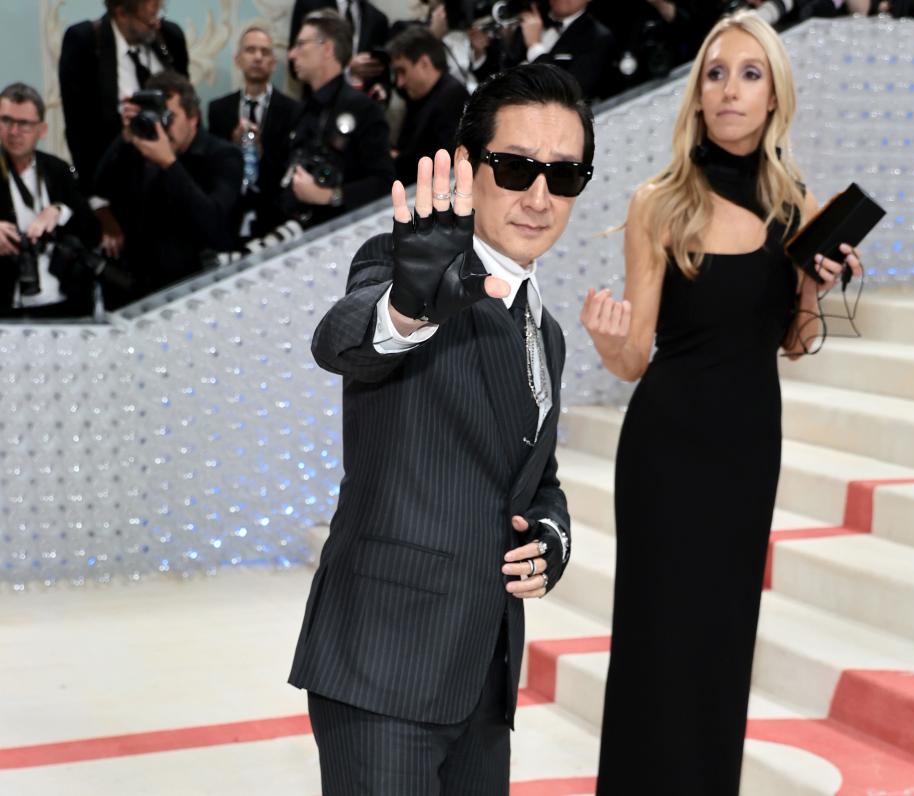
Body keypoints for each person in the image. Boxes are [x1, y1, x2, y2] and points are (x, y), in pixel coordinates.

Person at [289, 63, 594, 793]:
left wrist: (551, 538)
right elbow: (342, 339)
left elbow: (535, 480)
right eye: (516, 167)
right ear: (466, 165)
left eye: (564, 175)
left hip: (483, 678)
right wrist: (409, 308)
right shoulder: (402, 267)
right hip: (382, 669)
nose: (539, 196)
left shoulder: (544, 331)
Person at [580, 12, 862, 794]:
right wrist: (609, 344)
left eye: (750, 74)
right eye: (715, 73)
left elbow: (797, 342)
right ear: (697, 95)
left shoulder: (795, 204)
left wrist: (813, 282)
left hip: (746, 449)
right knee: (655, 639)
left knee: (721, 638)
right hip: (666, 450)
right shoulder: (658, 203)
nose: (730, 89)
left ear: (774, 97)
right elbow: (636, 356)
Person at [93, 71, 243, 308]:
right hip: (140, 291)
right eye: (155, 117)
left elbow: (214, 223)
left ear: (193, 117)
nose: (161, 126)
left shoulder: (223, 156)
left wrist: (169, 163)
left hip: (198, 291)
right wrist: (125, 136)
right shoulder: (143, 149)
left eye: (169, 117)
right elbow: (100, 187)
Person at [59, 0, 189, 256]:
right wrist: (99, 206)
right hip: (119, 192)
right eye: (147, 17)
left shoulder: (169, 36)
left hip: (172, 186)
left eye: (159, 12)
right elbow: (78, 134)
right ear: (121, 12)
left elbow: (188, 106)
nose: (156, 22)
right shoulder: (85, 42)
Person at [284, 11, 394, 228]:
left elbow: (383, 183)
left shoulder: (364, 109)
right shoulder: (301, 110)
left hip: (342, 232)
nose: (292, 55)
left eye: (301, 44)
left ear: (326, 49)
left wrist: (329, 195)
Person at [0, 83, 100, 317]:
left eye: (24, 124)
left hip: (64, 298)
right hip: (7, 304)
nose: (13, 131)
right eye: (5, 121)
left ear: (42, 130)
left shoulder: (58, 170)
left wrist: (59, 211)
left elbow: (92, 232)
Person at [208, 26, 302, 238]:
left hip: (274, 215)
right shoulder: (218, 109)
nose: (258, 57)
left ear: (273, 63)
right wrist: (232, 149)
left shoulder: (293, 110)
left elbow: (291, 169)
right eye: (250, 50)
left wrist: (261, 152)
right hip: (229, 215)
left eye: (265, 52)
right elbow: (212, 169)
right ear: (237, 59)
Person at [471, 0, 616, 101]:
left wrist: (535, 46)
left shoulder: (597, 37)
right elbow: (504, 70)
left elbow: (569, 92)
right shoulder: (532, 15)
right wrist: (480, 53)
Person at [386, 26, 470, 185]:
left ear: (425, 63)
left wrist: (398, 158)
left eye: (402, 71)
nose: (399, 82)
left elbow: (444, 161)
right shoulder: (421, 96)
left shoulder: (452, 98)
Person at [289, 0, 390, 95]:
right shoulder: (310, 4)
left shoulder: (377, 19)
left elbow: (384, 76)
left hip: (362, 107)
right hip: (319, 105)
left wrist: (381, 89)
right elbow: (294, 65)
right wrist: (348, 66)